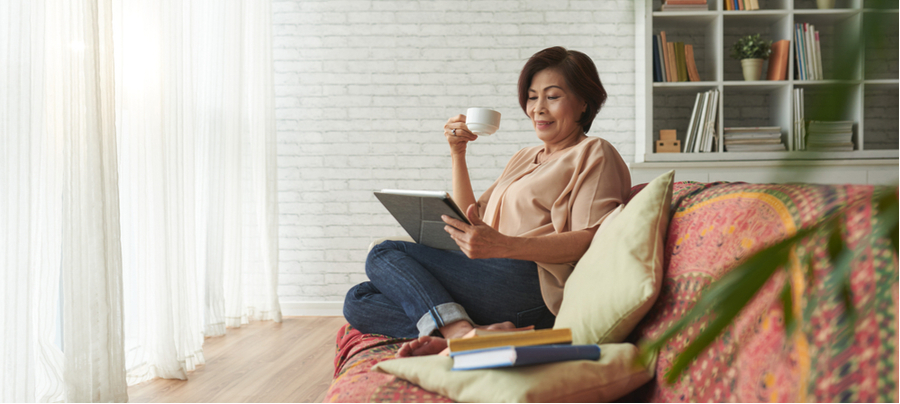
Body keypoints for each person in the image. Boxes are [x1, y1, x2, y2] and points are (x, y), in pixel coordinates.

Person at [342, 46, 632, 357]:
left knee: (386, 251)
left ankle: (460, 332)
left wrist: (505, 246)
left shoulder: (593, 152)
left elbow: (592, 240)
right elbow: (471, 218)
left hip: (532, 286)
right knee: (359, 298)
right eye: (533, 97)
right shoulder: (524, 157)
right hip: (491, 275)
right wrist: (458, 154)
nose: (538, 108)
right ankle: (478, 332)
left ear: (584, 102)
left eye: (553, 96)